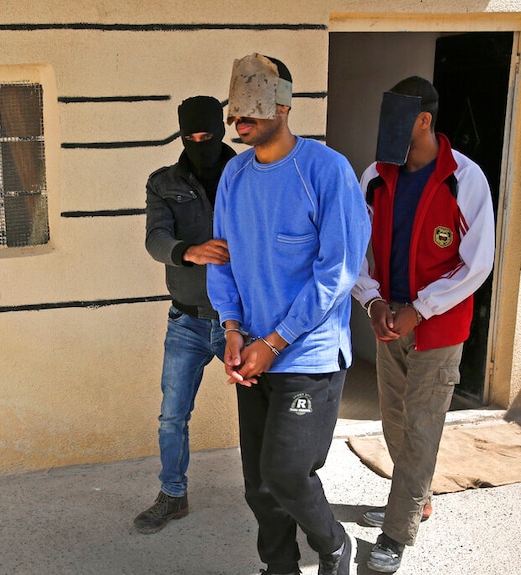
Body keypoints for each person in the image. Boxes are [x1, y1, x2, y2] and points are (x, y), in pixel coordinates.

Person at [207, 53, 369, 575]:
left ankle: (334, 545)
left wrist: (274, 341)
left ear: (282, 103)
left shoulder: (325, 170)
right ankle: (279, 568)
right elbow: (223, 259)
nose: (239, 121)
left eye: (250, 107)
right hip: (252, 350)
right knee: (258, 483)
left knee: (287, 472)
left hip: (309, 355)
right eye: (235, 111)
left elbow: (338, 272)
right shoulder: (234, 175)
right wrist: (232, 330)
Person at [352, 76, 495, 573]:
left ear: (424, 120)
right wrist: (371, 302)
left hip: (437, 327)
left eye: (397, 119)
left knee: (421, 427)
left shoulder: (465, 179)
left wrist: (421, 308)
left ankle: (397, 530)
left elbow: (477, 262)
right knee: (393, 421)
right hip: (389, 321)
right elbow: (354, 250)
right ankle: (415, 498)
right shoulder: (374, 175)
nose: (385, 129)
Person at [135, 95, 237, 534]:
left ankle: (277, 494)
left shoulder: (249, 173)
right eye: (190, 137)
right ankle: (173, 495)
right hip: (187, 322)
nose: (199, 143)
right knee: (172, 416)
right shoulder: (163, 182)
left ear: (221, 131)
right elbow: (155, 239)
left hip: (242, 323)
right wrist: (190, 252)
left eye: (207, 136)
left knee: (267, 413)